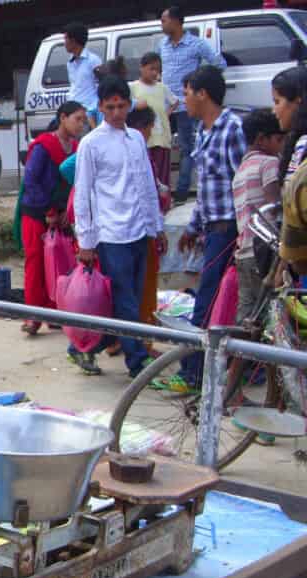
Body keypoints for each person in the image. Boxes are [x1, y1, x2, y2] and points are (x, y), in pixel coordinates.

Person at [71, 76, 166, 378]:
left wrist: (156, 225)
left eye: (121, 106)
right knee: (125, 300)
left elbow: (146, 186)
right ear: (99, 107)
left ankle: (83, 347)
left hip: (139, 231)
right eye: (109, 107)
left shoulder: (136, 139)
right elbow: (83, 193)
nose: (115, 113)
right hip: (111, 235)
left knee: (131, 301)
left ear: (129, 105)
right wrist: (85, 241)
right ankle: (136, 363)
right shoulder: (91, 144)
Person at [160, 66, 246, 393]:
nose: (184, 100)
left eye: (187, 93)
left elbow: (243, 184)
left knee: (207, 303)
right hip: (211, 230)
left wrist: (242, 237)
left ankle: (194, 373)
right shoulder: (203, 131)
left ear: (203, 94)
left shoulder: (232, 129)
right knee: (208, 299)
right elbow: (207, 188)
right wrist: (192, 228)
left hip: (229, 231)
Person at [18, 101, 86, 336]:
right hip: (37, 213)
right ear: (63, 118)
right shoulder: (43, 146)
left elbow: (77, 185)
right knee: (35, 263)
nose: (81, 124)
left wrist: (66, 213)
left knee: (59, 263)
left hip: (60, 215)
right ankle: (33, 316)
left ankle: (55, 312)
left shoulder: (77, 148)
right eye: (77, 119)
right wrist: (49, 212)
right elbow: (31, 181)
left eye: (83, 120)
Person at [160, 5, 226, 204]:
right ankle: (163, 192)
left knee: (187, 149)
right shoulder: (161, 45)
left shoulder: (196, 44)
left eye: (164, 20)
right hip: (165, 107)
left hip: (185, 106)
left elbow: (219, 63)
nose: (161, 24)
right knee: (161, 147)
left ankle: (180, 192)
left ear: (177, 21)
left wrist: (199, 84)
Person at [231, 109, 284, 323]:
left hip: (243, 253)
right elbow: (275, 207)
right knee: (270, 317)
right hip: (264, 254)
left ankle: (233, 355)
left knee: (247, 316)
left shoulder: (241, 170)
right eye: (279, 139)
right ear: (262, 139)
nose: (282, 146)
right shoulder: (269, 163)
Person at [127, 106, 172, 331]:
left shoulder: (139, 150)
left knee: (135, 287)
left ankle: (131, 339)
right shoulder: (132, 149)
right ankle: (140, 339)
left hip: (140, 227)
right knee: (141, 286)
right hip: (136, 229)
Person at [130, 51, 179, 188]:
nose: (154, 73)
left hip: (161, 137)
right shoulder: (133, 87)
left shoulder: (162, 88)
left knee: (162, 174)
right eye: (151, 68)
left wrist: (166, 114)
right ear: (142, 67)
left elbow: (175, 102)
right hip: (143, 138)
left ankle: (163, 202)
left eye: (157, 69)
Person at [63, 22, 102, 129]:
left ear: (73, 41)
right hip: (72, 111)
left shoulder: (93, 60)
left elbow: (102, 85)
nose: (64, 43)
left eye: (66, 39)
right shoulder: (70, 63)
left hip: (87, 113)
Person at [272, 66, 307, 184]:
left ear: (298, 102)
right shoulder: (297, 143)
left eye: (277, 102)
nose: (274, 111)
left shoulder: (304, 144)